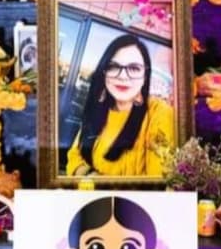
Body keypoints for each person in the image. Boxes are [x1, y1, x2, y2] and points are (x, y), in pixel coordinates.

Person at [66, 34, 174, 177]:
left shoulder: (159, 113)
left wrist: (99, 186)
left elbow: (158, 184)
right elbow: (74, 155)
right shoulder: (99, 108)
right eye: (113, 67)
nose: (123, 76)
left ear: (145, 77)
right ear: (104, 73)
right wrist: (89, 175)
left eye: (134, 68)